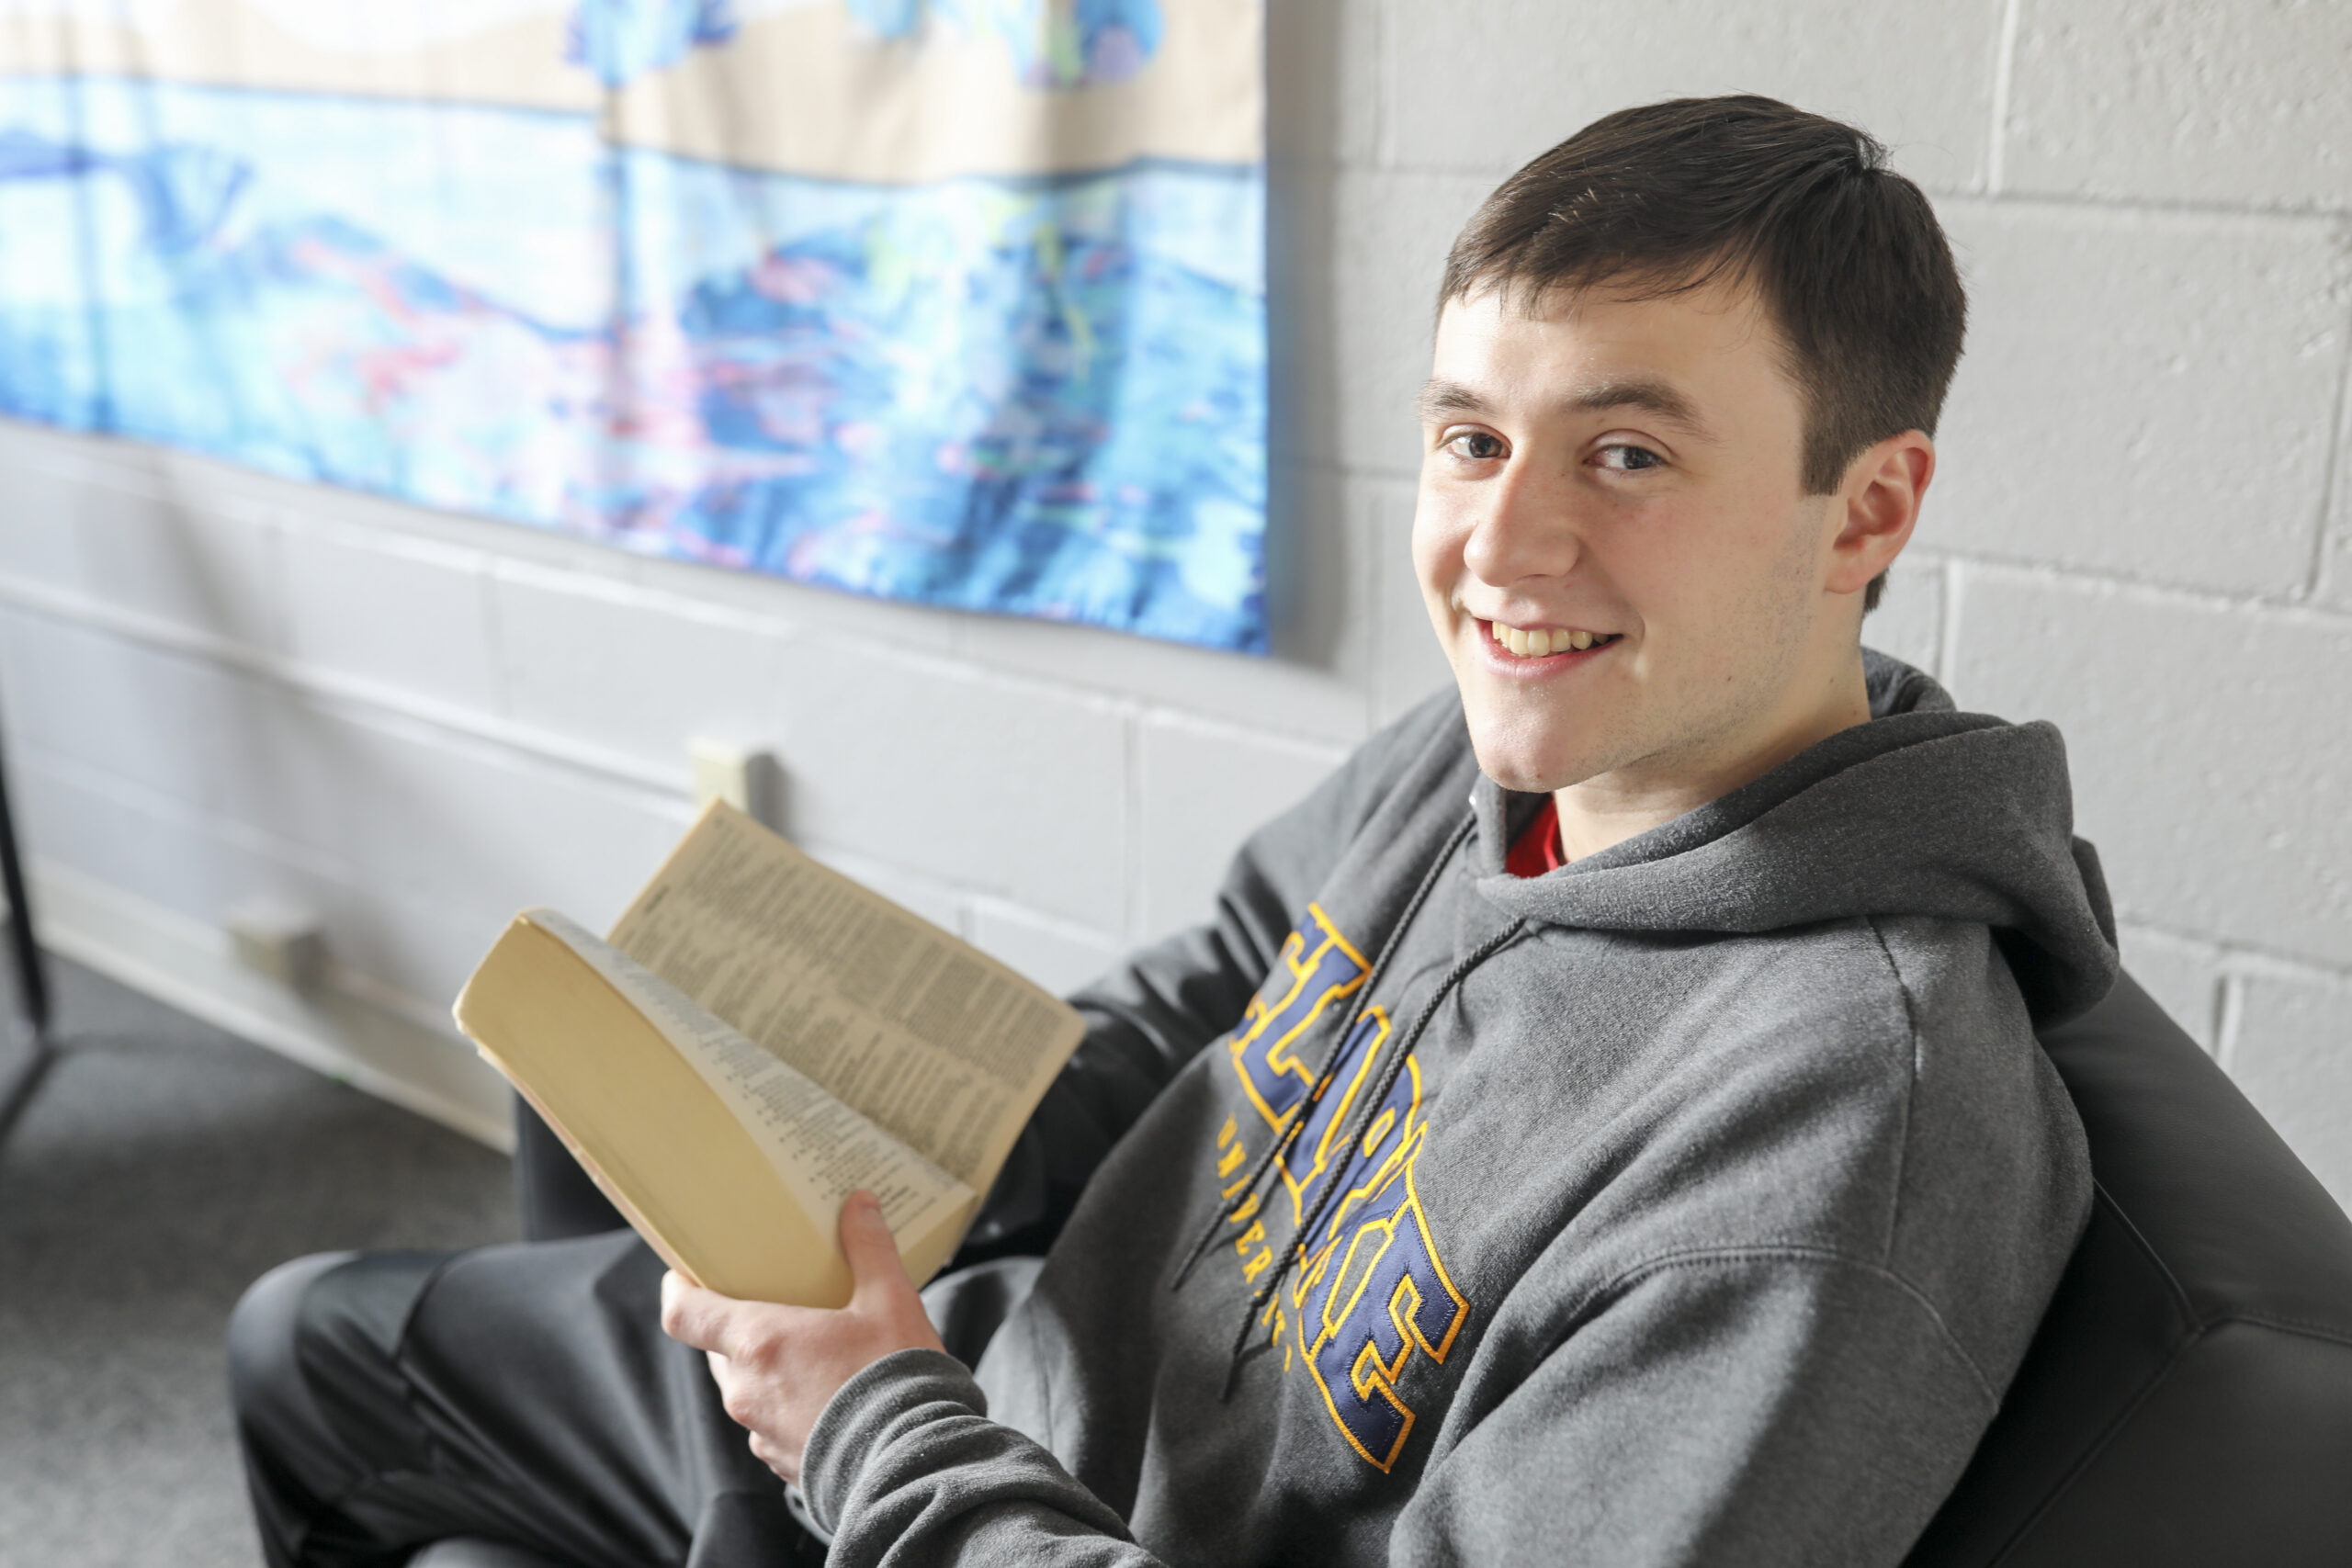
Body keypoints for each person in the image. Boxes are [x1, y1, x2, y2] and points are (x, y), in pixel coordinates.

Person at [229, 95, 2118, 1567]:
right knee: (329, 1311)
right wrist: (846, 1155)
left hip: (957, 1486)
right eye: (1471, 438)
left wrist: (876, 1428)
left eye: (1624, 454)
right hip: (968, 1394)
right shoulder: (1505, 756)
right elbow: (1198, 996)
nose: (1502, 545)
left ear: (1864, 508)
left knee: (317, 1350)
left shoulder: (1839, 1141)